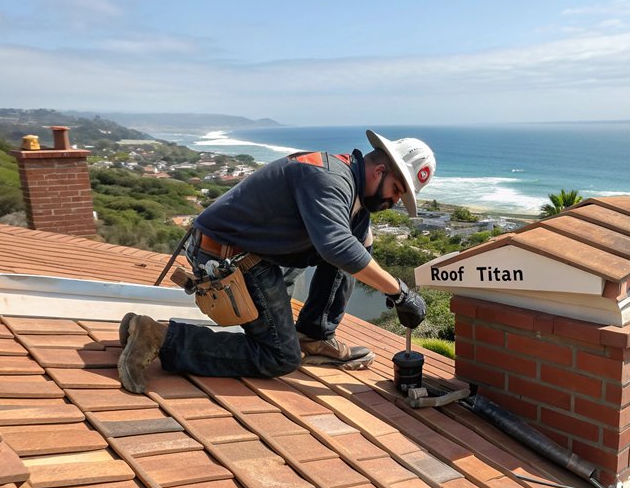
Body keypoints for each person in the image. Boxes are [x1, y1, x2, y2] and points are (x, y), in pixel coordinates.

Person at [117, 130, 433, 394]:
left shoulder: (356, 199)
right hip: (225, 254)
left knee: (353, 256)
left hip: (250, 253)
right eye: (396, 191)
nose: (393, 203)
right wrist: (400, 292)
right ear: (379, 171)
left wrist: (379, 270)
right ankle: (156, 336)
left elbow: (358, 252)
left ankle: (315, 338)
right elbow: (336, 246)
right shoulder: (329, 179)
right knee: (280, 357)